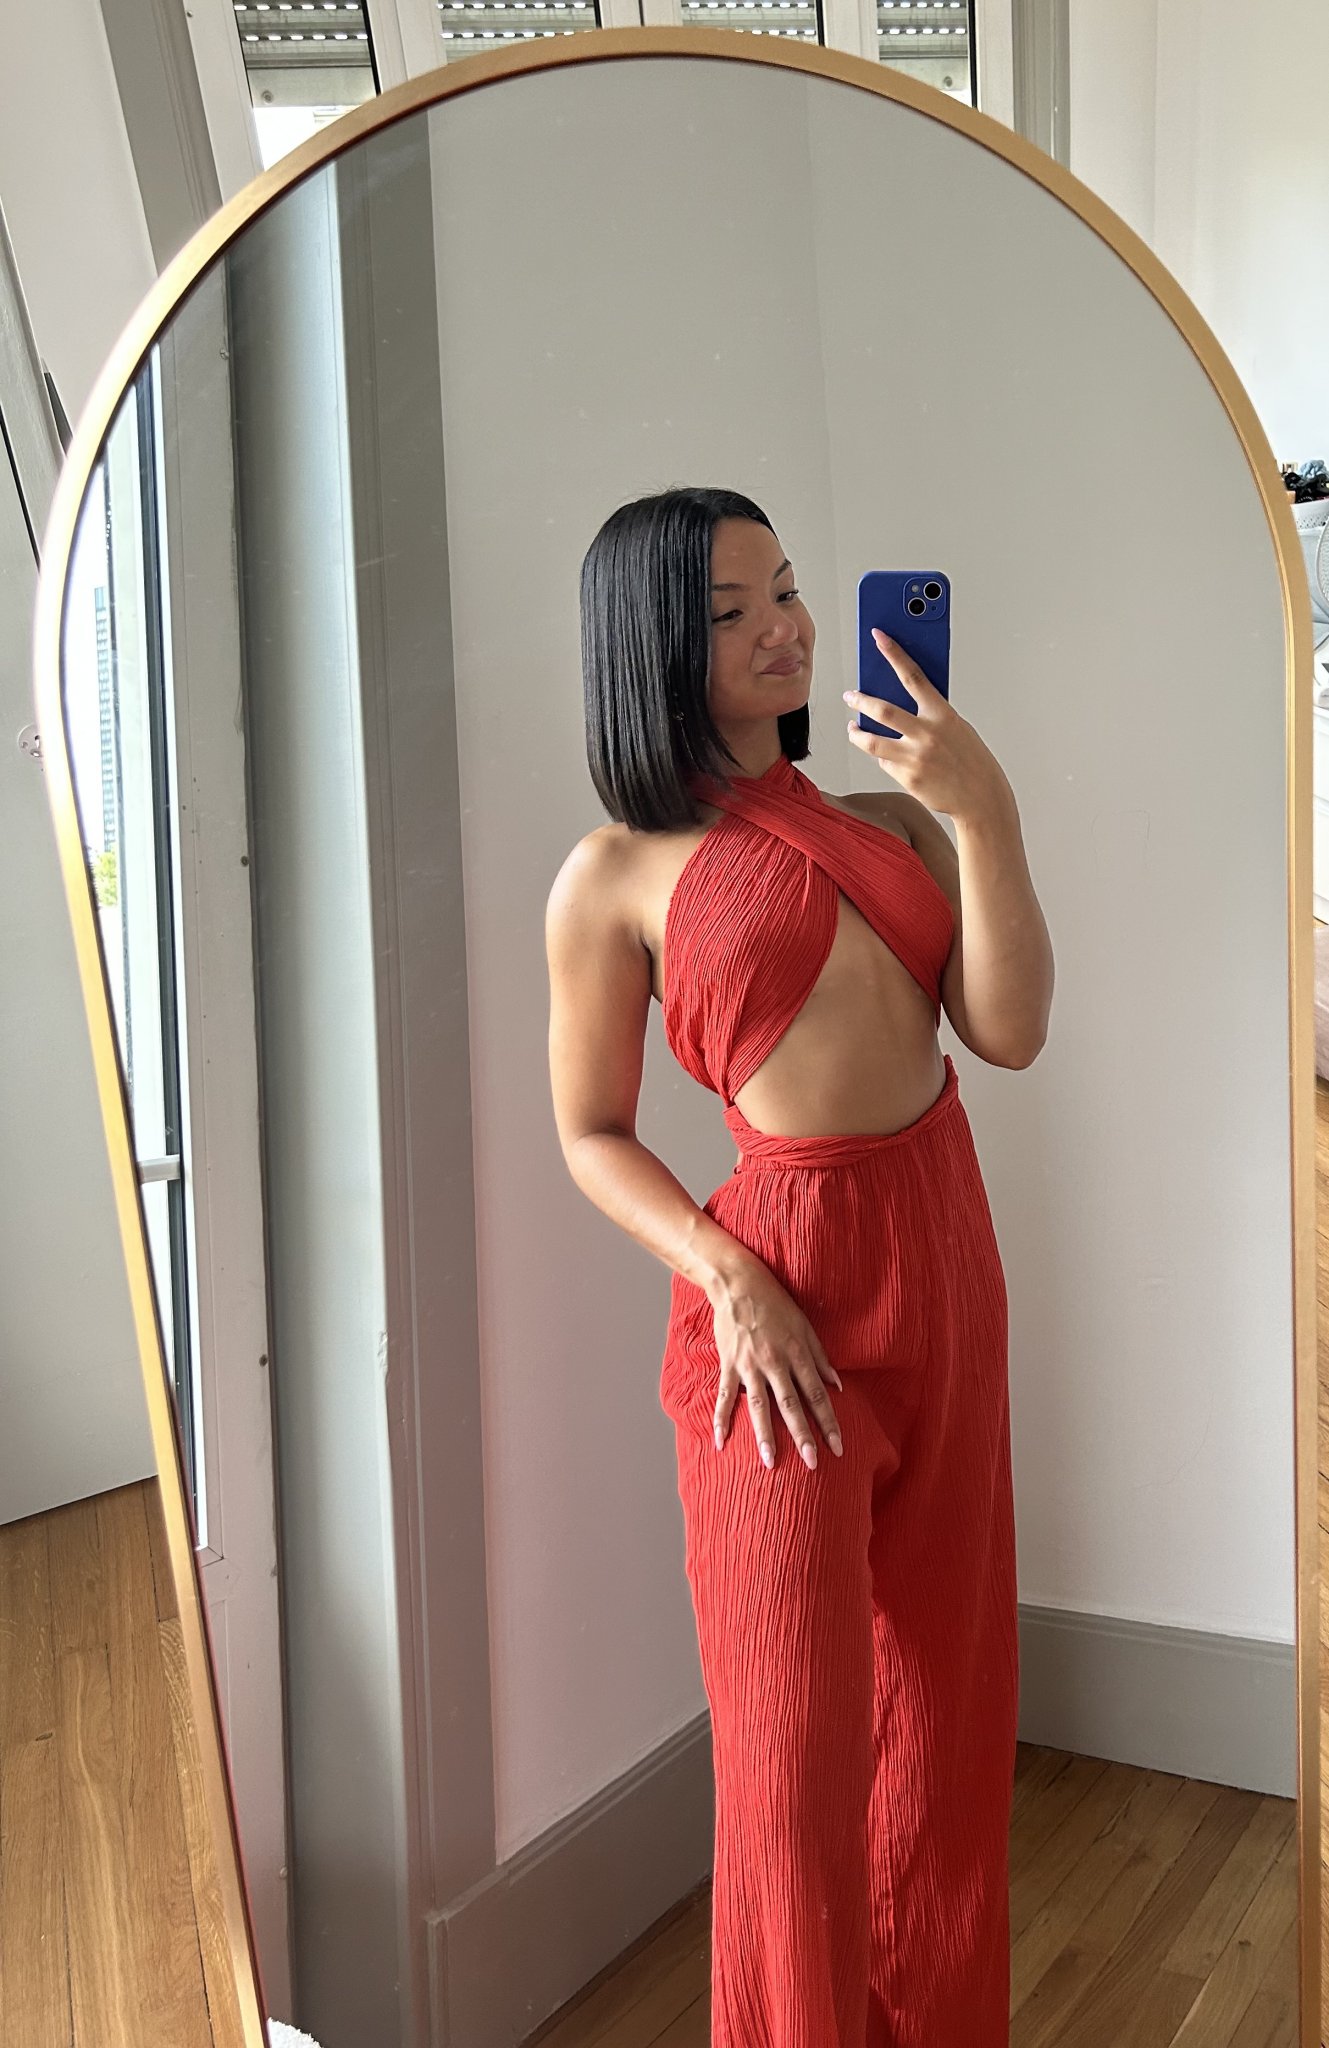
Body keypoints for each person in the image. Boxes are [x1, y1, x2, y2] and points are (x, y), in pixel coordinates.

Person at [545, 485, 1054, 2047]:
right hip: (774, 1310)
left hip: (942, 1259)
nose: (785, 627)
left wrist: (983, 811)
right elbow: (589, 1133)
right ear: (650, 646)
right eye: (728, 610)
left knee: (945, 1722)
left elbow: (1007, 1032)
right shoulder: (612, 875)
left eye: (784, 588)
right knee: (787, 1766)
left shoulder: (891, 823)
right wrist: (726, 1276)